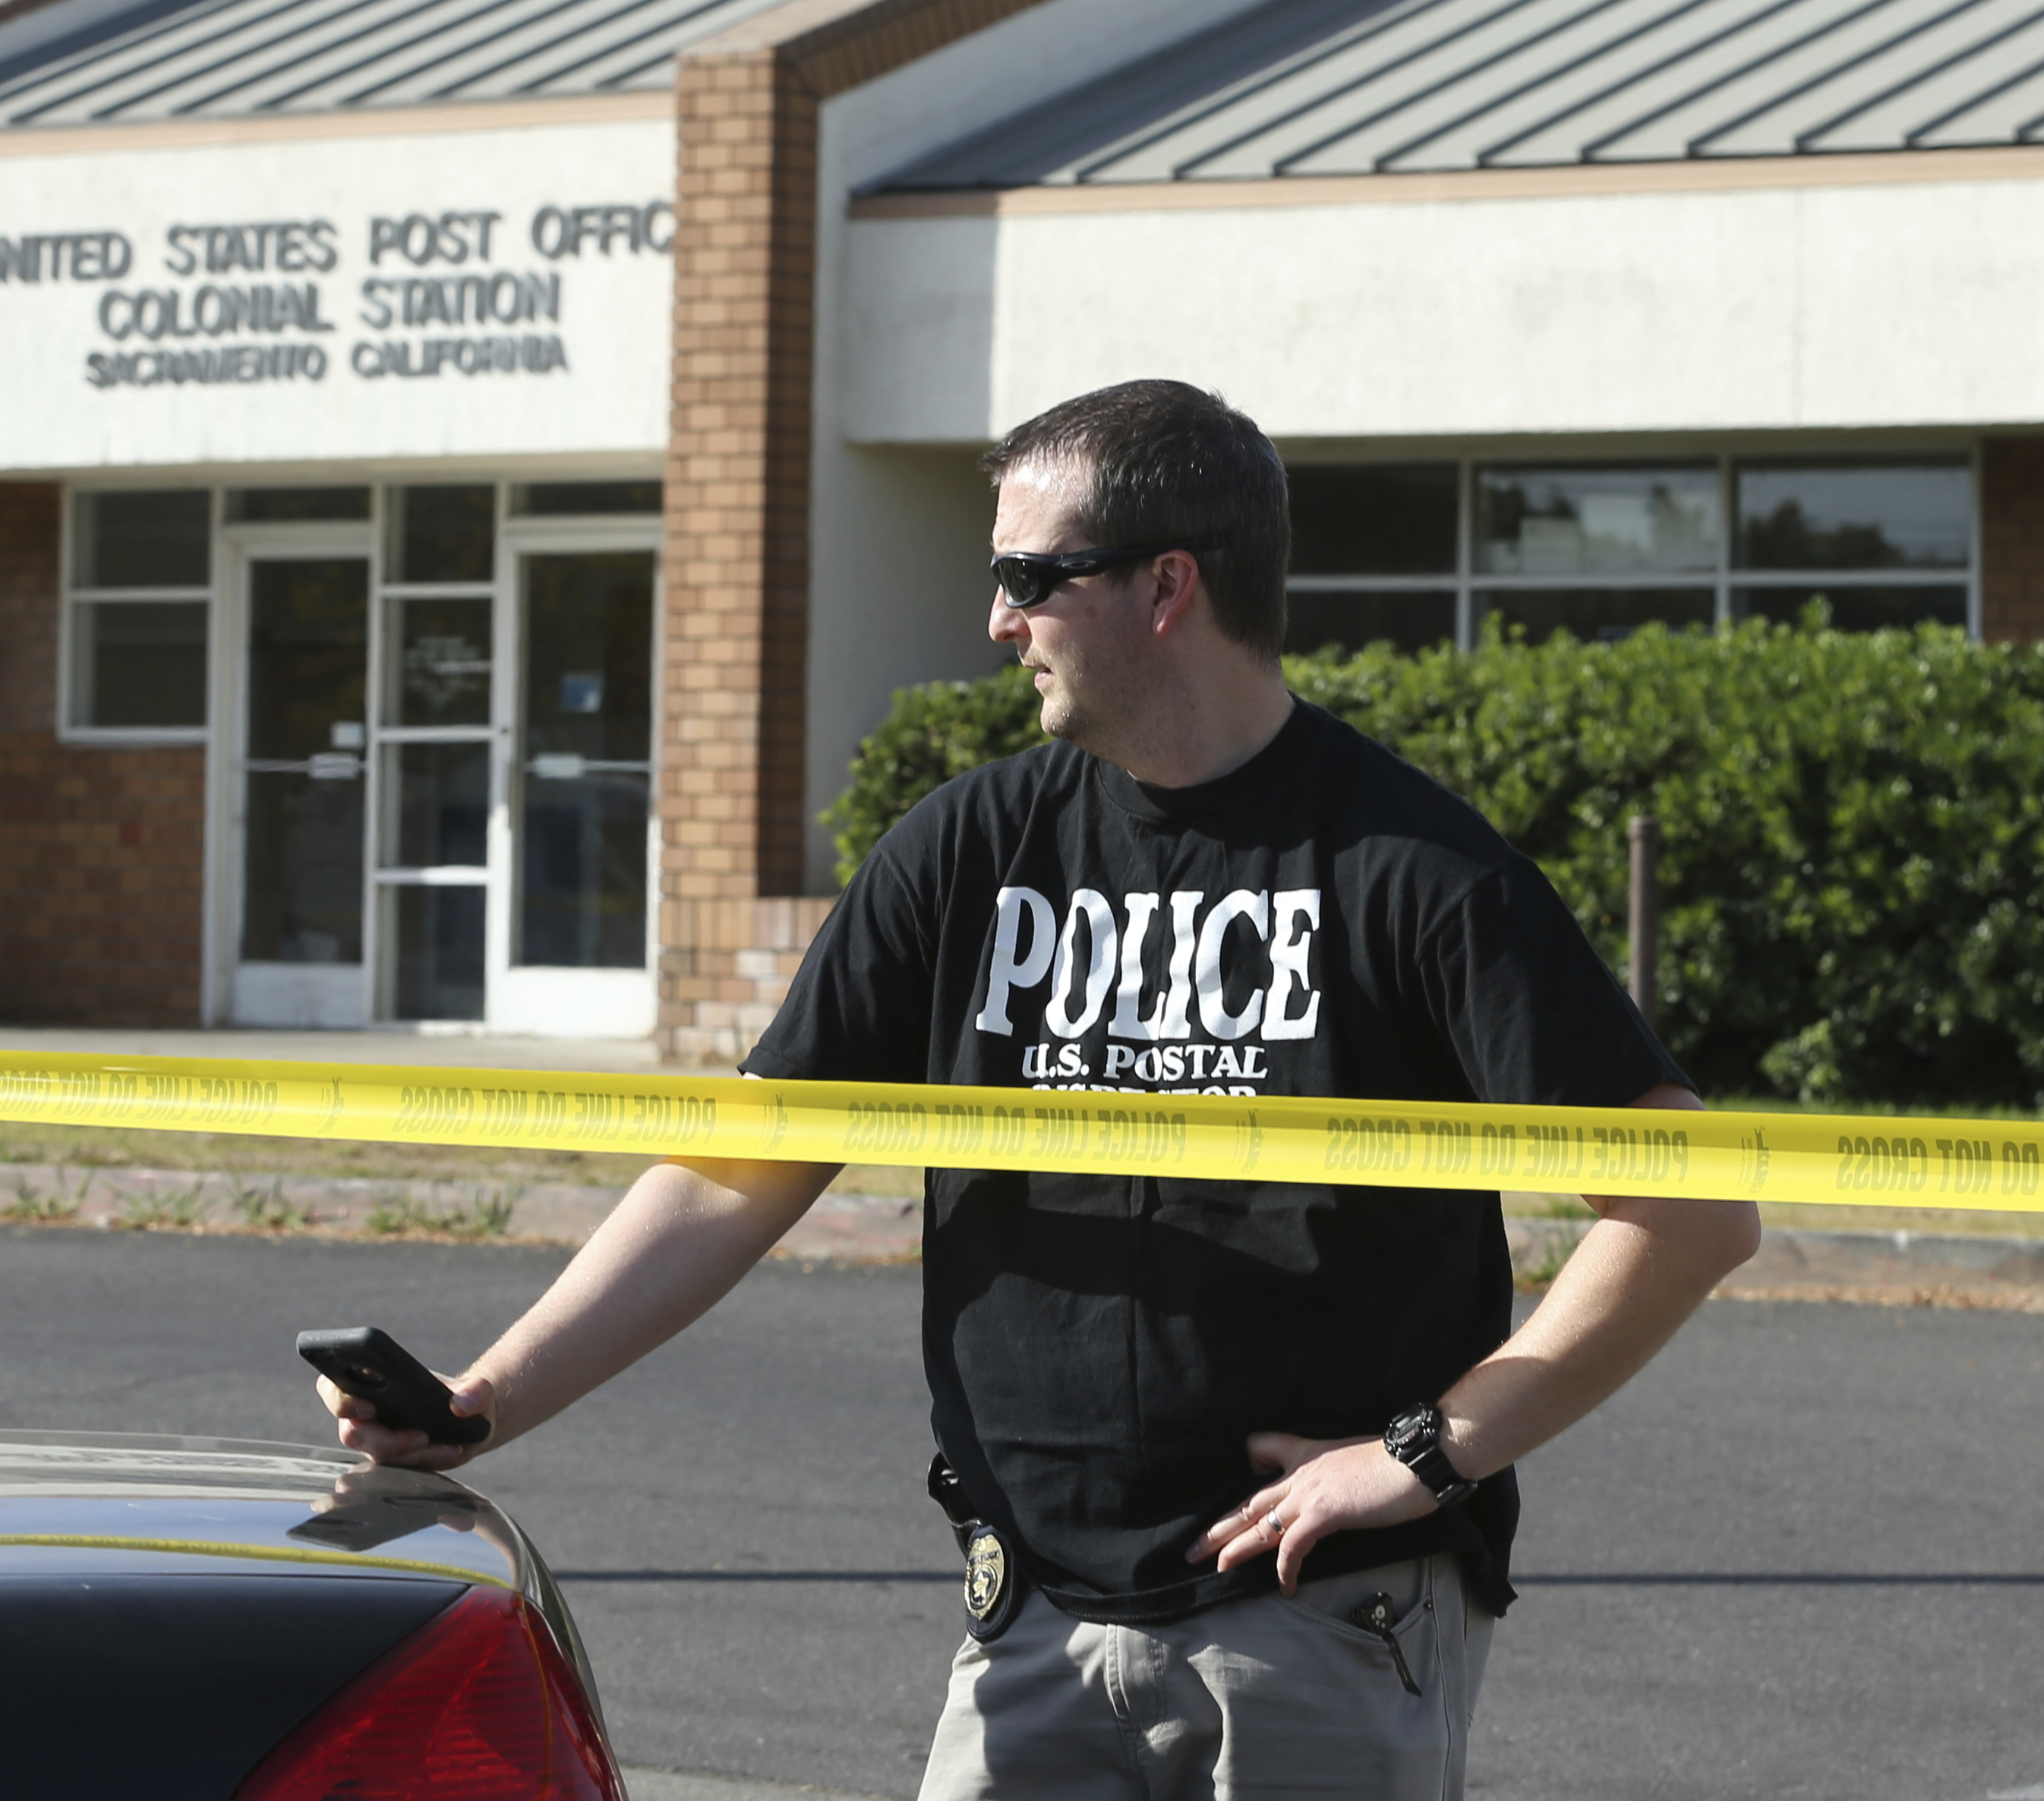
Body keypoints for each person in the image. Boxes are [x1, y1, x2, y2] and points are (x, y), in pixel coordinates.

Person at [319, 380, 1759, 1799]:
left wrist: (1423, 1459)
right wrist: (483, 1400)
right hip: (1028, 1620)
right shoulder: (967, 848)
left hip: (1319, 1617)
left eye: (1028, 577)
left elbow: (1692, 1213)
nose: (997, 622)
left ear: (1163, 587)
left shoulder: (1409, 868)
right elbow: (734, 1168)